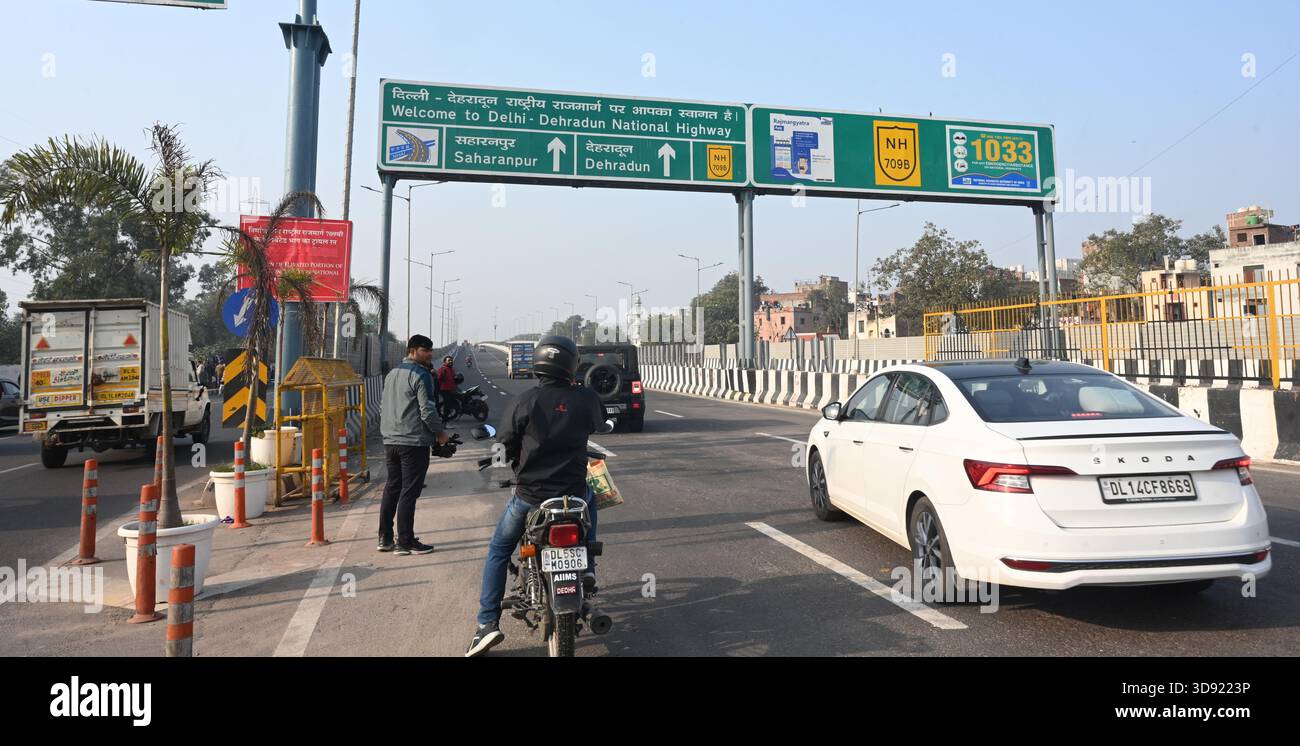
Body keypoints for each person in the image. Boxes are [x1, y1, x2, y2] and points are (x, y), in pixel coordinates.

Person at [466, 335, 606, 657]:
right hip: (574, 496)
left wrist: (502, 477)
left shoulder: (523, 401)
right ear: (570, 364)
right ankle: (587, 566)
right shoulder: (586, 399)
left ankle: (487, 625)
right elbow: (600, 424)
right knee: (592, 495)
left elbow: (502, 444)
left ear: (539, 363)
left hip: (531, 496)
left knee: (499, 550)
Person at [378, 335, 450, 555]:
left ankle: (385, 538)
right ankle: (405, 541)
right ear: (412, 351)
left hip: (391, 440)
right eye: (425, 350)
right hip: (413, 442)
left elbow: (383, 406)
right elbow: (427, 410)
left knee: (392, 488)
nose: (429, 354)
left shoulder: (392, 374)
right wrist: (440, 434)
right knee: (409, 492)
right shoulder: (421, 375)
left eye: (430, 349)